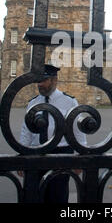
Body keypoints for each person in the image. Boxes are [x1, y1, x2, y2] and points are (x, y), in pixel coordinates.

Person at [19, 64, 87, 203]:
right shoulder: (33, 103)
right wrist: (22, 155)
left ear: (54, 80)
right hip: (36, 153)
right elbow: (26, 131)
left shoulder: (69, 101)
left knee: (58, 196)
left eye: (44, 80)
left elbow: (77, 130)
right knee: (35, 196)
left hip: (61, 153)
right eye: (38, 81)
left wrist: (80, 155)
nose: (40, 84)